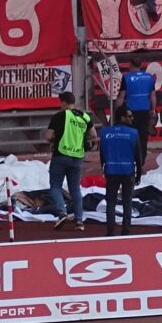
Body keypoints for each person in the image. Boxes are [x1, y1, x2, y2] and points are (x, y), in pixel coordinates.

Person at [46, 91, 92, 229]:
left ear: (64, 102)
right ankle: (79, 220)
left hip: (61, 154)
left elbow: (48, 136)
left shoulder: (60, 116)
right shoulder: (84, 116)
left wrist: (56, 138)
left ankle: (62, 212)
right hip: (77, 157)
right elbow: (93, 134)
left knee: (55, 186)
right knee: (75, 189)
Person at [97, 107, 140, 236]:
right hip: (128, 171)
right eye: (129, 116)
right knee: (127, 201)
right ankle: (126, 230)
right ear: (122, 117)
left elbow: (102, 153)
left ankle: (110, 231)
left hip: (111, 170)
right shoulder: (133, 133)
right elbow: (138, 155)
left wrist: (103, 167)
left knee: (111, 202)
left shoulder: (105, 133)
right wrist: (138, 173)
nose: (132, 118)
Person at [118, 65, 157, 181]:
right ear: (140, 66)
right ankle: (141, 160)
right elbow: (153, 95)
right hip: (144, 111)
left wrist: (117, 111)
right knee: (143, 136)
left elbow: (121, 96)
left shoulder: (127, 78)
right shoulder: (149, 77)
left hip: (131, 112)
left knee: (130, 136)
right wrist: (152, 109)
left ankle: (130, 161)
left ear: (130, 64)